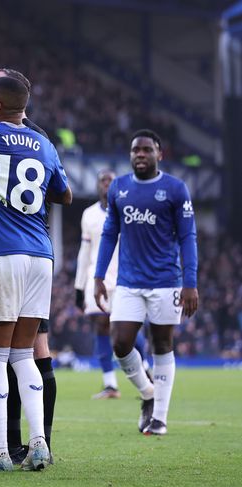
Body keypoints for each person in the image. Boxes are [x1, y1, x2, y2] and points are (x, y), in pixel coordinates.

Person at [0, 75, 71, 472]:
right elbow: (63, 193)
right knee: (24, 354)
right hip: (40, 255)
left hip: (0, 254)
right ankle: (38, 443)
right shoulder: (43, 143)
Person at [95, 129, 198, 436]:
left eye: (146, 150)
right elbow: (110, 232)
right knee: (120, 343)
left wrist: (190, 282)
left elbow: (188, 237)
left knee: (163, 345)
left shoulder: (176, 189)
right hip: (128, 281)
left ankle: (160, 418)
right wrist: (99, 276)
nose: (140, 154)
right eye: (135, 150)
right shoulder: (119, 188)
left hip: (166, 281)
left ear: (159, 154)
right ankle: (148, 393)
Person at [75, 169, 123, 399]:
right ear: (97, 186)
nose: (106, 184)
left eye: (110, 180)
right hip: (97, 280)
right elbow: (85, 252)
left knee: (125, 330)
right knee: (101, 326)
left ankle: (143, 367)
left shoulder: (126, 209)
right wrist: (78, 285)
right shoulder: (88, 214)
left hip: (124, 278)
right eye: (102, 180)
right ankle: (110, 384)